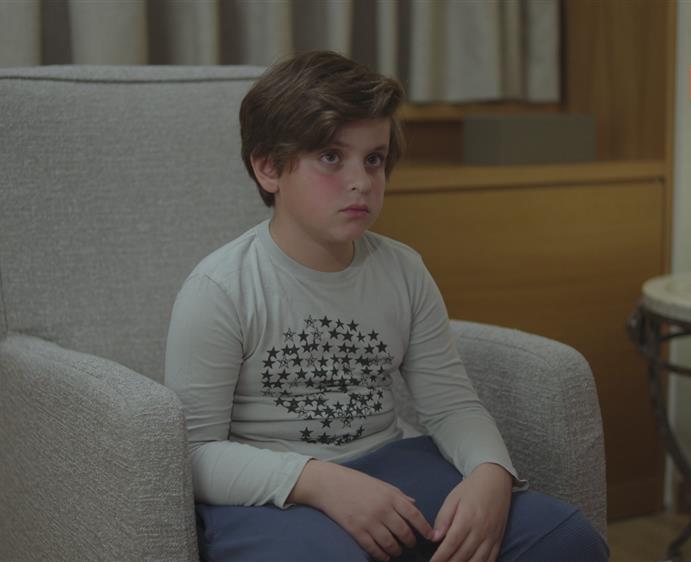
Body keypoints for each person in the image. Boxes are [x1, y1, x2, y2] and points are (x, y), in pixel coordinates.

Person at [164, 50, 608, 562]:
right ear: (268, 168)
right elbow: (194, 454)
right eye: (331, 157)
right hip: (275, 494)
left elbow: (451, 405)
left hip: (394, 467)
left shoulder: (404, 270)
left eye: (373, 159)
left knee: (568, 539)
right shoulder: (220, 288)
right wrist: (318, 481)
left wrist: (490, 471)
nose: (361, 181)